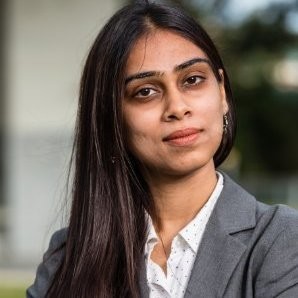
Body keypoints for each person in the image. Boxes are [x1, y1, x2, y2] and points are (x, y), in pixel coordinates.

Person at [27, 1, 298, 297]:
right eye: (145, 92)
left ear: (221, 93)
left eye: (192, 80)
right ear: (112, 118)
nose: (177, 108)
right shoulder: (68, 257)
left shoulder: (281, 239)